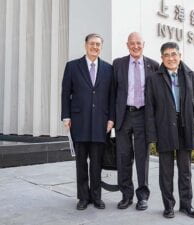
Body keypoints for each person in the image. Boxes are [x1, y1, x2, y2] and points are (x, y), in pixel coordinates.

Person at [145, 42, 194, 218]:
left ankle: (186, 205)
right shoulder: (154, 79)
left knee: (185, 171)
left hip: (185, 127)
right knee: (166, 171)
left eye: (174, 54)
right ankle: (168, 206)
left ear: (180, 55)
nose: (171, 58)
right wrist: (152, 133)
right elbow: (150, 108)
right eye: (167, 55)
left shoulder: (191, 76)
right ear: (162, 58)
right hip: (164, 127)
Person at [61, 33, 115, 210]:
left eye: (98, 44)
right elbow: (65, 93)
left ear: (101, 47)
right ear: (85, 45)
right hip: (79, 121)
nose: (95, 47)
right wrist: (66, 116)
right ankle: (83, 197)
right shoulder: (72, 66)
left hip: (101, 123)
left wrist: (111, 119)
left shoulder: (108, 68)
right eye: (92, 43)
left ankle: (96, 197)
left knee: (97, 163)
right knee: (81, 162)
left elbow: (112, 96)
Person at [113, 32, 159, 210]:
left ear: (143, 44)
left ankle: (143, 196)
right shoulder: (118, 64)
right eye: (132, 43)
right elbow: (113, 92)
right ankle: (126, 195)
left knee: (142, 157)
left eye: (138, 43)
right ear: (127, 45)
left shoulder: (153, 66)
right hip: (124, 116)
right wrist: (112, 119)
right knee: (124, 157)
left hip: (143, 116)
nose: (135, 46)